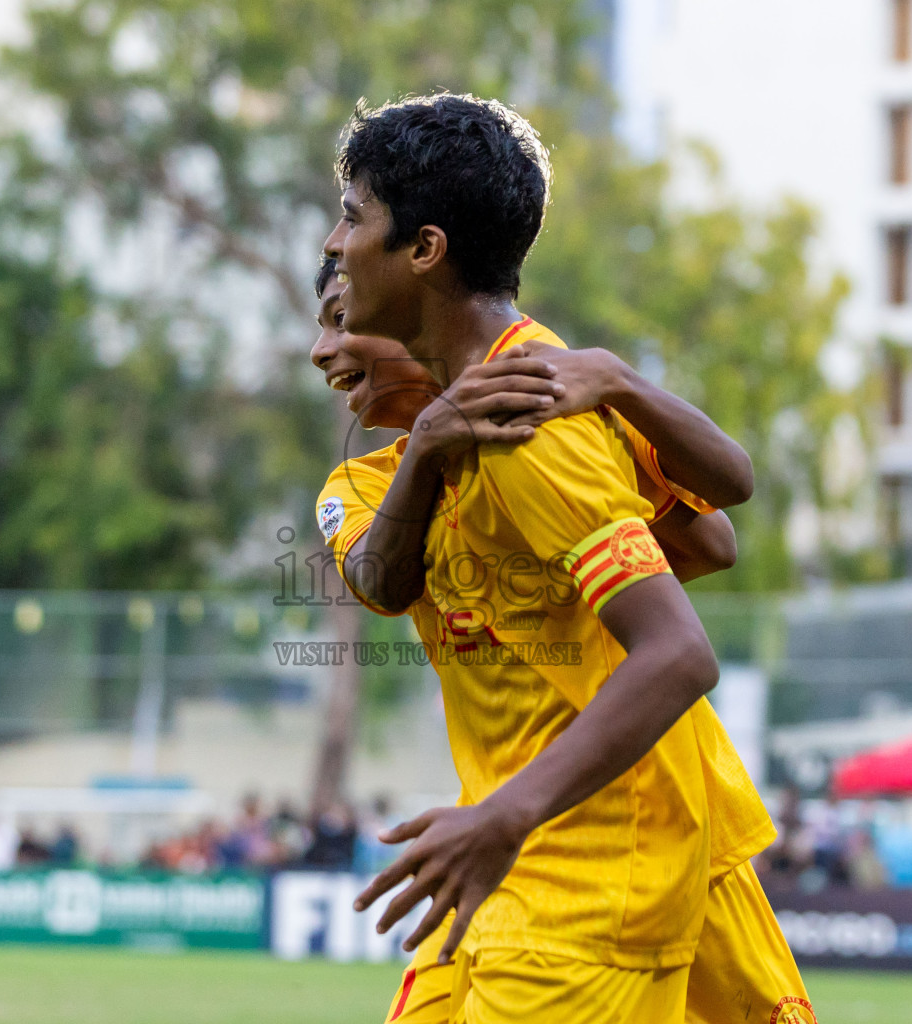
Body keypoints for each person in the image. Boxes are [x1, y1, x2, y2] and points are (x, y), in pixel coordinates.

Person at [319, 94, 814, 1024]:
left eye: (352, 219)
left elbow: (703, 568)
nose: (324, 344)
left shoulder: (533, 411)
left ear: (422, 250)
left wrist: (619, 387)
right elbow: (380, 584)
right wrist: (432, 439)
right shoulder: (397, 460)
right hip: (533, 844)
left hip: (595, 854)